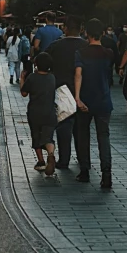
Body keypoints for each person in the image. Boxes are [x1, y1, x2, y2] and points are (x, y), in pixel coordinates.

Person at [74, 18, 115, 188]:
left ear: (86, 33)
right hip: (104, 100)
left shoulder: (81, 53)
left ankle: (84, 171)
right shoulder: (109, 53)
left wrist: (77, 97)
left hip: (85, 100)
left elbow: (78, 75)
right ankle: (106, 175)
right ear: (102, 33)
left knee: (83, 136)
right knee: (103, 137)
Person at [46, 14, 86, 169]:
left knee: (64, 126)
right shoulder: (86, 46)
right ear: (81, 29)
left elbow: (42, 59)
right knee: (81, 128)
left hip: (61, 90)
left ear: (66, 28)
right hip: (81, 90)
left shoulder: (56, 46)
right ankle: (83, 158)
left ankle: (64, 159)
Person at [21, 52, 57, 176]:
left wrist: (22, 79)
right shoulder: (52, 77)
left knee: (36, 136)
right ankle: (51, 155)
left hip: (35, 112)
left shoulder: (32, 77)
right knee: (48, 137)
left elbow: (24, 93)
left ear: (36, 64)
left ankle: (41, 161)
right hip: (50, 112)